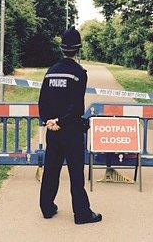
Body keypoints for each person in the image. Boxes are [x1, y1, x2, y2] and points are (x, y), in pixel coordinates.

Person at [38, 27, 102, 225]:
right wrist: (61, 122)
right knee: (75, 173)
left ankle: (47, 208)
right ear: (78, 49)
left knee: (51, 170)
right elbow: (76, 106)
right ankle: (82, 214)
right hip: (71, 131)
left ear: (61, 48)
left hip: (52, 131)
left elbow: (42, 101)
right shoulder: (79, 73)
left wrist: (49, 120)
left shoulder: (50, 72)